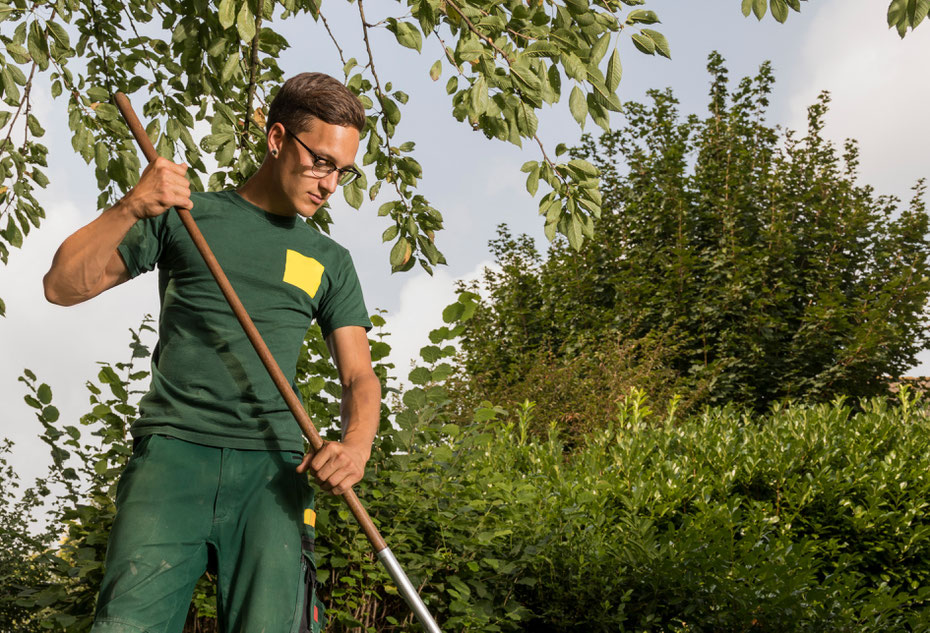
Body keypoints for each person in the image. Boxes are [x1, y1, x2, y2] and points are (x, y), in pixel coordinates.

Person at [43, 72, 380, 633]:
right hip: (172, 457)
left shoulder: (329, 259)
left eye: (342, 171)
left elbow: (359, 378)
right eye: (321, 161)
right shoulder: (185, 215)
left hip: (272, 471)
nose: (329, 184)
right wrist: (132, 205)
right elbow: (62, 286)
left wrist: (356, 447)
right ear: (277, 140)